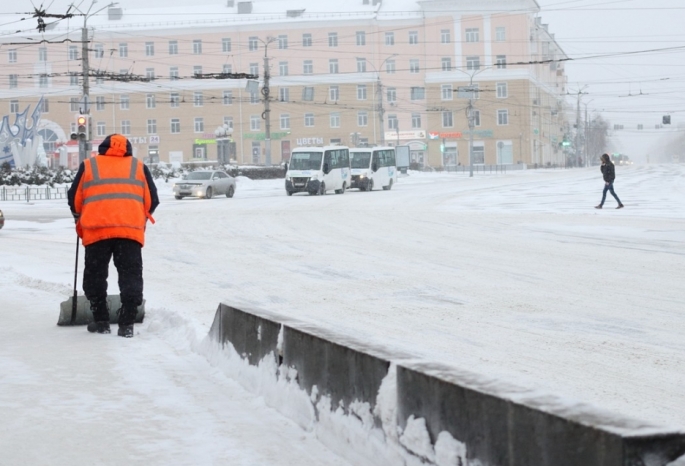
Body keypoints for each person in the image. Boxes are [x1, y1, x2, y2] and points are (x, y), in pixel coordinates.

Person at [68, 134, 159, 337]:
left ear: (103, 147)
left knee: (95, 275)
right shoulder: (138, 167)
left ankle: (101, 320)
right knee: (130, 275)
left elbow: (74, 197)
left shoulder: (90, 165)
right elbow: (153, 199)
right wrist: (139, 217)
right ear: (127, 148)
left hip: (96, 231)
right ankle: (127, 323)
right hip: (129, 231)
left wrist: (78, 217)